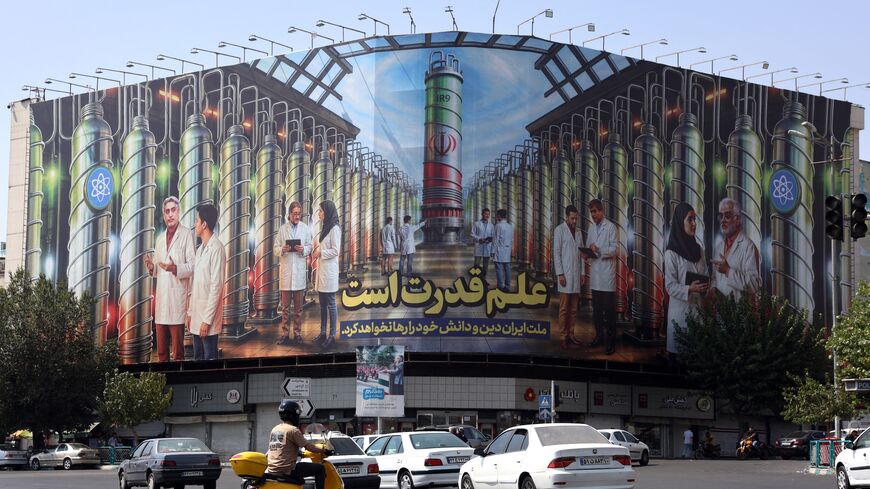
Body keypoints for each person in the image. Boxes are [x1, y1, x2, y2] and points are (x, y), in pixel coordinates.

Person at [145, 196, 195, 362]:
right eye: (167, 211)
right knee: (161, 352)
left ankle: (178, 378)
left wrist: (175, 268)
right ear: (164, 215)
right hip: (162, 302)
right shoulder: (160, 239)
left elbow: (192, 266)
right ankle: (162, 377)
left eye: (173, 210)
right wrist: (151, 267)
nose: (170, 214)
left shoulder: (186, 234)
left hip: (177, 301)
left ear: (178, 212)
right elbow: (158, 268)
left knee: (178, 353)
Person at [664, 202, 708, 357]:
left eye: (695, 219)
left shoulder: (699, 250)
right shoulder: (671, 253)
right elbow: (670, 286)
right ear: (680, 221)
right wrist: (689, 289)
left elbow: (706, 275)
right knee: (678, 362)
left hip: (698, 313)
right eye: (690, 219)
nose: (694, 223)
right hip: (680, 315)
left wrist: (710, 285)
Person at [188, 203, 226, 361]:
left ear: (204, 224)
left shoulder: (217, 248)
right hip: (197, 316)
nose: (195, 224)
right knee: (198, 358)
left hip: (207, 319)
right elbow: (196, 284)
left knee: (209, 359)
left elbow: (216, 287)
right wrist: (190, 313)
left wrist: (206, 320)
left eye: (197, 221)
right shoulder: (200, 249)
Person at [266, 400, 331, 489]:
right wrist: (324, 450)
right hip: (288, 470)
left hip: (272, 470)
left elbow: (276, 448)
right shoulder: (293, 430)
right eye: (298, 415)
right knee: (320, 469)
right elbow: (309, 447)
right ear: (293, 415)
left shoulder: (275, 429)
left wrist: (298, 453)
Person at [274, 201, 312, 345]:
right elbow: (275, 248)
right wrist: (282, 250)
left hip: (299, 273)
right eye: (294, 213)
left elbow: (310, 246)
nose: (297, 216)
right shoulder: (282, 230)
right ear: (289, 214)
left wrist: (304, 249)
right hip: (286, 272)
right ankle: (285, 333)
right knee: (284, 309)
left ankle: (297, 333)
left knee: (298, 309)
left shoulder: (305, 229)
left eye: (299, 214)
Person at [584, 199, 617, 354]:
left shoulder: (610, 227)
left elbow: (614, 249)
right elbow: (589, 246)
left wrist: (599, 250)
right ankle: (599, 337)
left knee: (609, 312)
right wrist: (587, 253)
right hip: (596, 275)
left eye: (595, 212)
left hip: (607, 276)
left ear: (602, 211)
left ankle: (611, 342)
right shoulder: (591, 229)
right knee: (596, 311)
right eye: (591, 212)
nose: (593, 215)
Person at [711, 197, 761, 299]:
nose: (723, 220)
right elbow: (715, 278)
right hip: (719, 308)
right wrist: (713, 288)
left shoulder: (748, 246)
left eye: (727, 216)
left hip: (739, 308)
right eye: (721, 216)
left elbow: (754, 284)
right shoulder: (719, 247)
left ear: (737, 220)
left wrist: (728, 271)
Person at [553, 205, 585, 349]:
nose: (574, 221)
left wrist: (582, 273)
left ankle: (571, 334)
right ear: (566, 217)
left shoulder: (578, 232)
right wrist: (560, 274)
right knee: (564, 309)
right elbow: (556, 253)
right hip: (565, 275)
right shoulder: (559, 230)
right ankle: (562, 336)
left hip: (576, 275)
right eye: (572, 218)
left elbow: (582, 254)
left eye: (576, 218)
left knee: (573, 309)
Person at [313, 201, 341, 349]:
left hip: (329, 272)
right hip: (322, 271)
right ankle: (323, 332)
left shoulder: (334, 228)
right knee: (322, 305)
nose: (319, 213)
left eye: (321, 211)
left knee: (331, 305)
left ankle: (332, 335)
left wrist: (321, 253)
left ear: (328, 212)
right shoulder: (325, 227)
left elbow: (336, 250)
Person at [493, 209, 513, 292]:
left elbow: (495, 240)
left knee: (499, 268)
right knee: (507, 268)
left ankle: (500, 286)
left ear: (499, 216)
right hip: (507, 250)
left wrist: (492, 251)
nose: (496, 217)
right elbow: (511, 239)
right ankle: (507, 286)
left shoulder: (498, 226)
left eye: (497, 216)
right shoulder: (510, 226)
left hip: (499, 249)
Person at [471, 208, 494, 277]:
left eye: (488, 214)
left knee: (485, 266)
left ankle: (483, 279)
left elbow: (493, 235)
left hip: (487, 246)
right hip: (479, 246)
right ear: (482, 214)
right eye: (486, 214)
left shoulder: (491, 225)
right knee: (476, 265)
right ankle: (475, 280)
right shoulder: (477, 224)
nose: (487, 216)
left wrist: (490, 239)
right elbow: (472, 234)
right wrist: (479, 239)